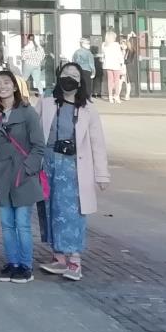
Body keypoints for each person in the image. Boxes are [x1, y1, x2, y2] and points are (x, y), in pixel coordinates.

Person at [37, 60, 110, 280]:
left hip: (73, 167)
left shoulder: (88, 110)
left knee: (72, 212)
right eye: (66, 73)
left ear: (81, 81)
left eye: (74, 75)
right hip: (49, 164)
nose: (70, 77)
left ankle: (75, 260)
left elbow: (97, 143)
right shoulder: (47, 103)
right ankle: (58, 256)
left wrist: (102, 174)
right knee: (50, 209)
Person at [0, 69, 45, 283]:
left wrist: (28, 169)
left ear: (14, 86)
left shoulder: (28, 113)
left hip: (23, 176)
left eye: (6, 82)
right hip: (3, 177)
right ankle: (12, 262)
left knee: (22, 223)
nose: (2, 87)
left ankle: (25, 265)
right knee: (6, 223)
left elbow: (39, 146)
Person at [100, 30, 128, 103]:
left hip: (108, 65)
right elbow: (119, 55)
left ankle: (110, 97)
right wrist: (122, 63)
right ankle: (116, 96)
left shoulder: (104, 45)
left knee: (110, 81)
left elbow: (103, 55)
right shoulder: (116, 45)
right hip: (116, 64)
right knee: (117, 81)